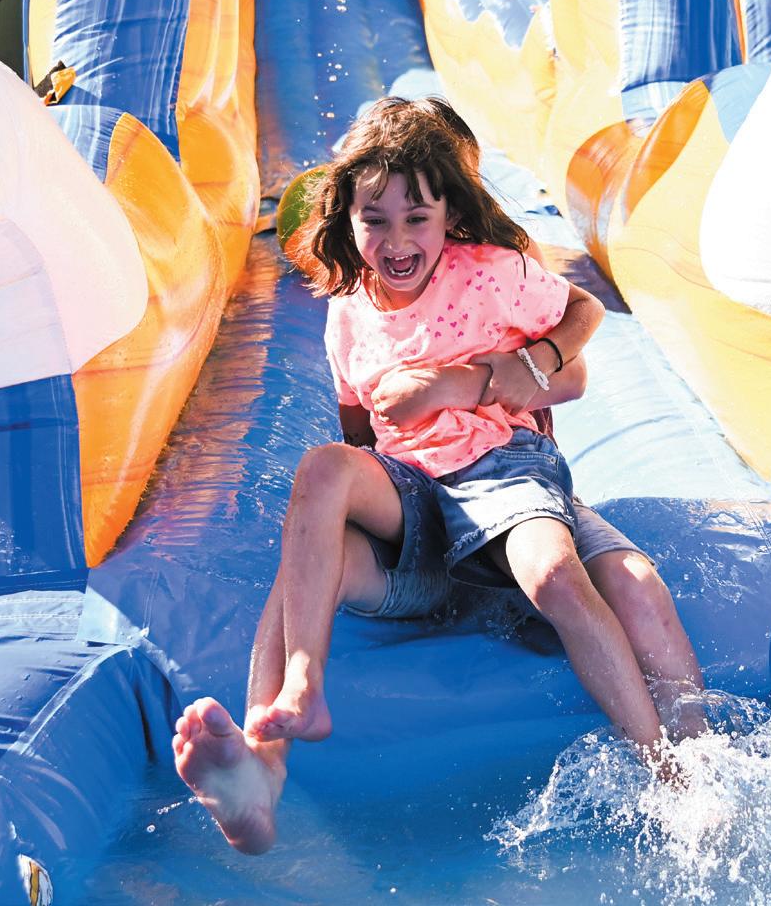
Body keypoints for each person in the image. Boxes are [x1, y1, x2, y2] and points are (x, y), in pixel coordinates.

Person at [173, 98, 704, 855]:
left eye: (416, 217)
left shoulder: (488, 275)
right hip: (417, 504)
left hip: (503, 481)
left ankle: (674, 778)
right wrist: (342, 496)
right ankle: (271, 748)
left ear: (450, 211)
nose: (396, 239)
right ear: (347, 215)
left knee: (574, 575)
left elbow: (578, 335)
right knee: (317, 502)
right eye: (375, 218)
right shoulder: (349, 310)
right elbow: (358, 435)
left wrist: (474, 379)